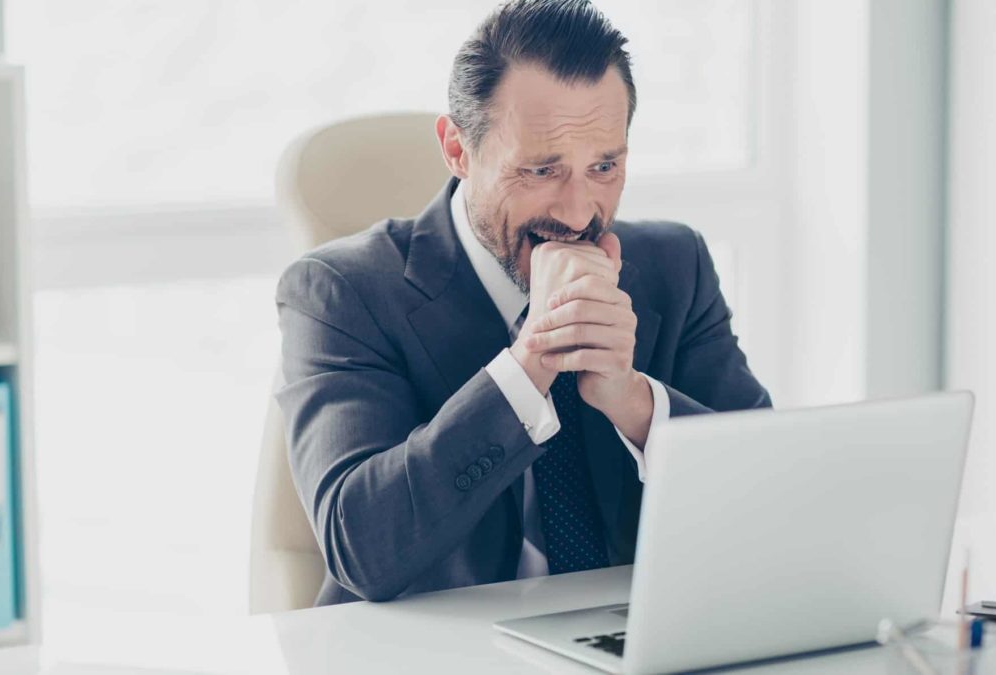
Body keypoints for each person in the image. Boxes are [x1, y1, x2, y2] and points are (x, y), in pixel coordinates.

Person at [276, 0, 771, 606]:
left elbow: (767, 495)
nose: (579, 212)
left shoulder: (674, 265)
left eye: (604, 166)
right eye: (541, 170)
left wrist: (634, 402)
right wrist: (530, 362)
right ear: (457, 150)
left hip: (623, 642)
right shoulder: (340, 290)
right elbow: (365, 551)